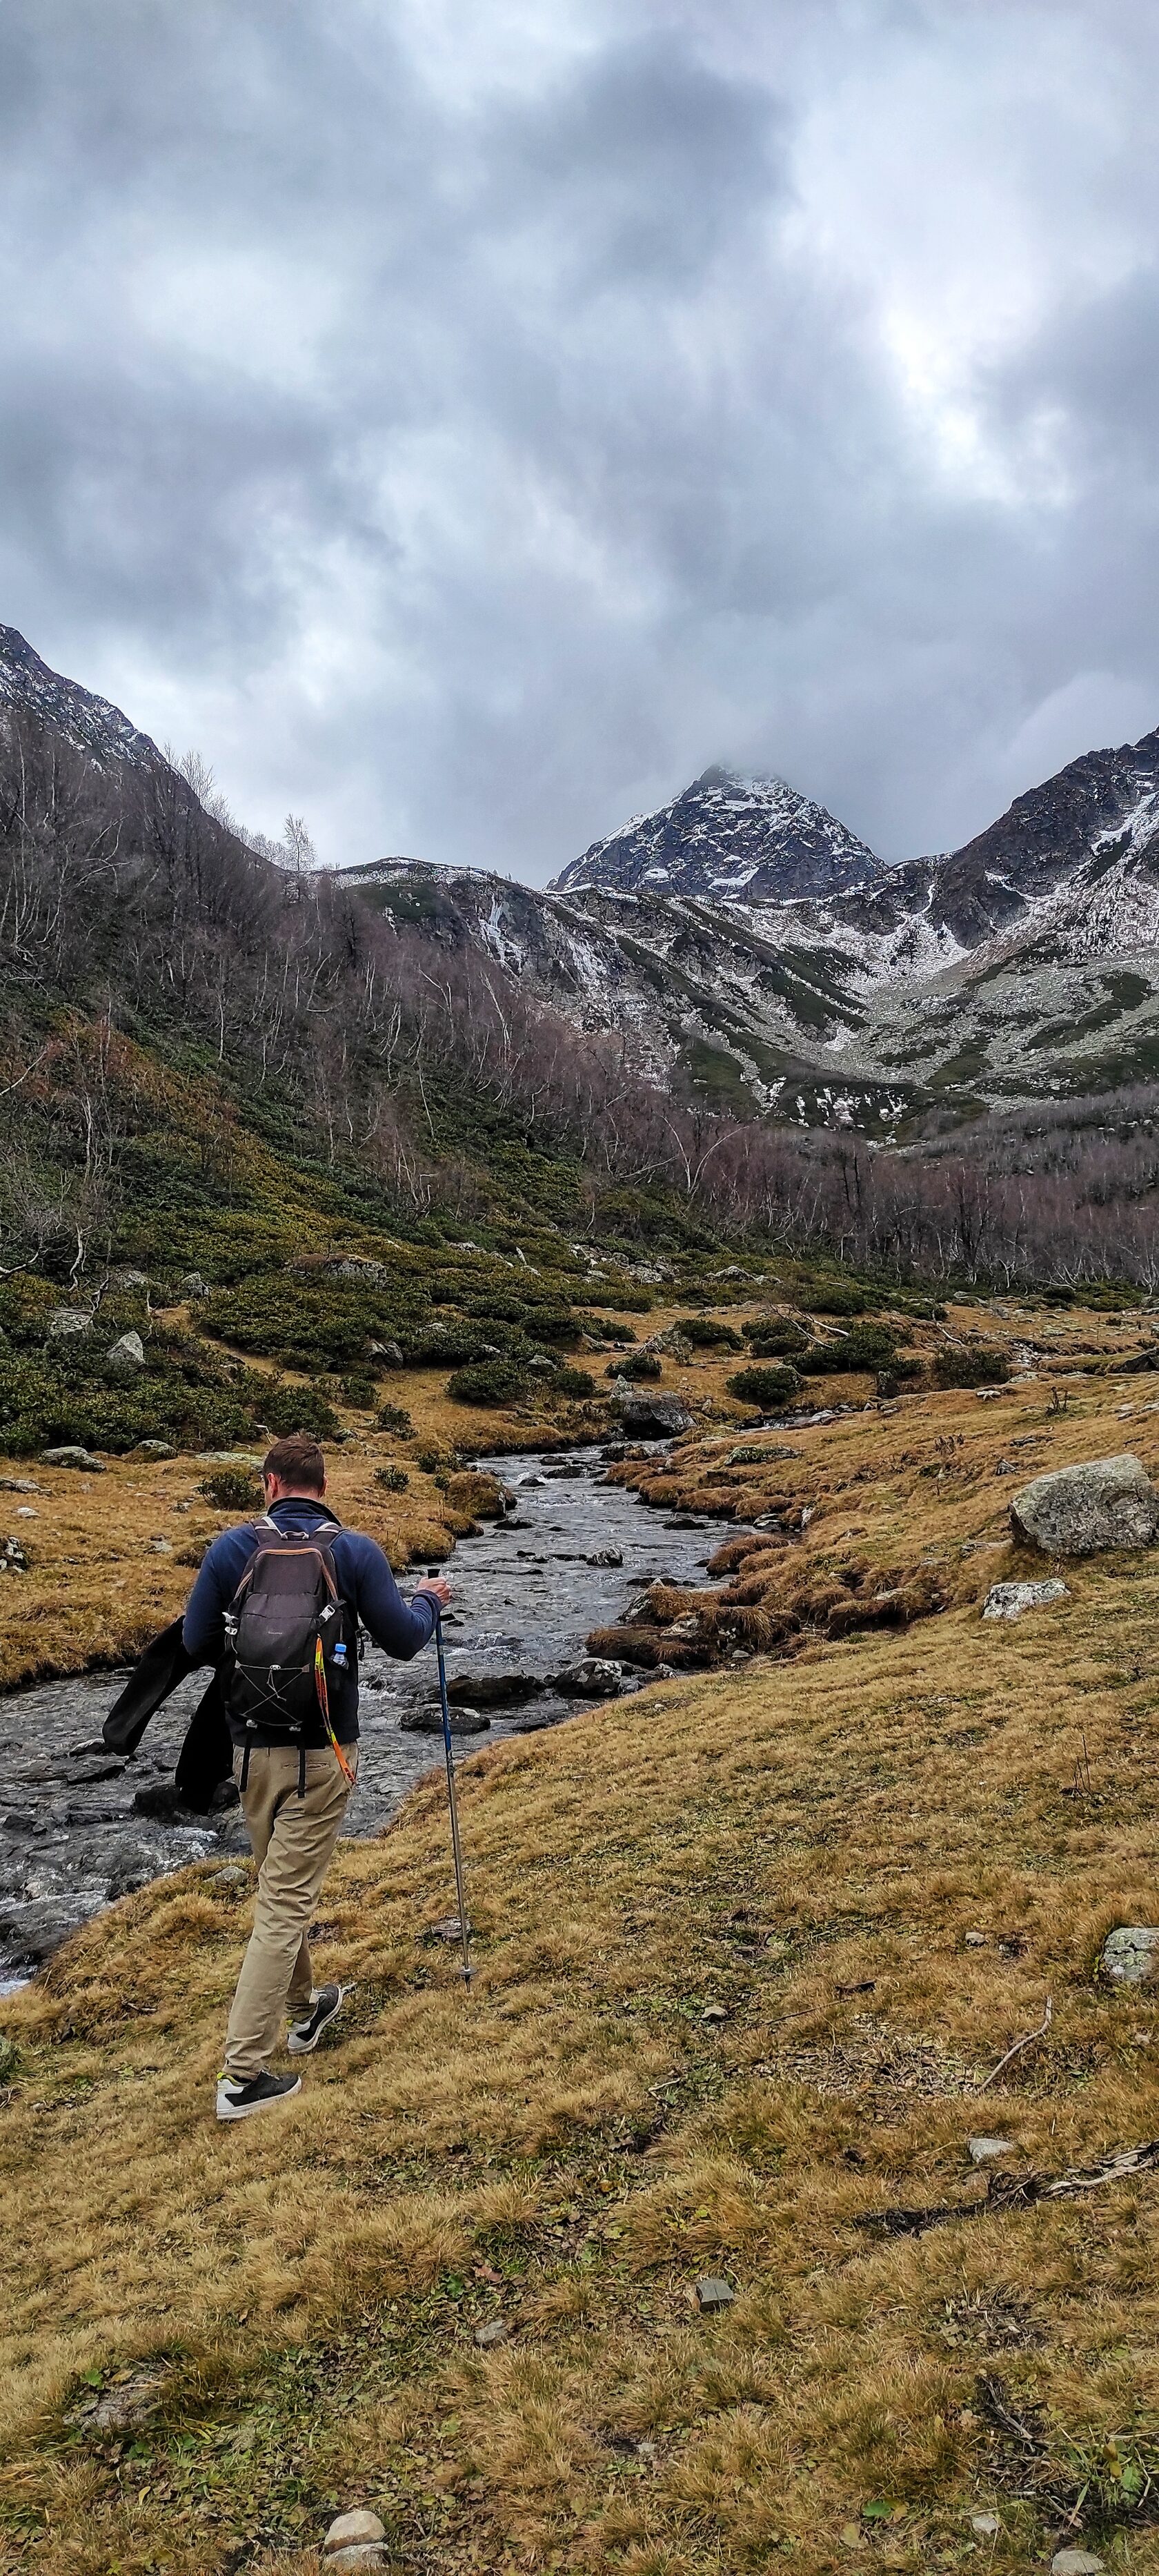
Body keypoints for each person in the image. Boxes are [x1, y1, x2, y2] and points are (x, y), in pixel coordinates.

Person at [181, 1431, 450, 2121]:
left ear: (269, 1484)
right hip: (324, 1755)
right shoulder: (352, 1551)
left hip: (249, 1757)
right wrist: (429, 1599)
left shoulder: (231, 1548)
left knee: (280, 1890)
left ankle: (306, 2011)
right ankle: (242, 2077)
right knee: (282, 1906)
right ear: (323, 1489)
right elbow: (403, 1638)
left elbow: (194, 1642)